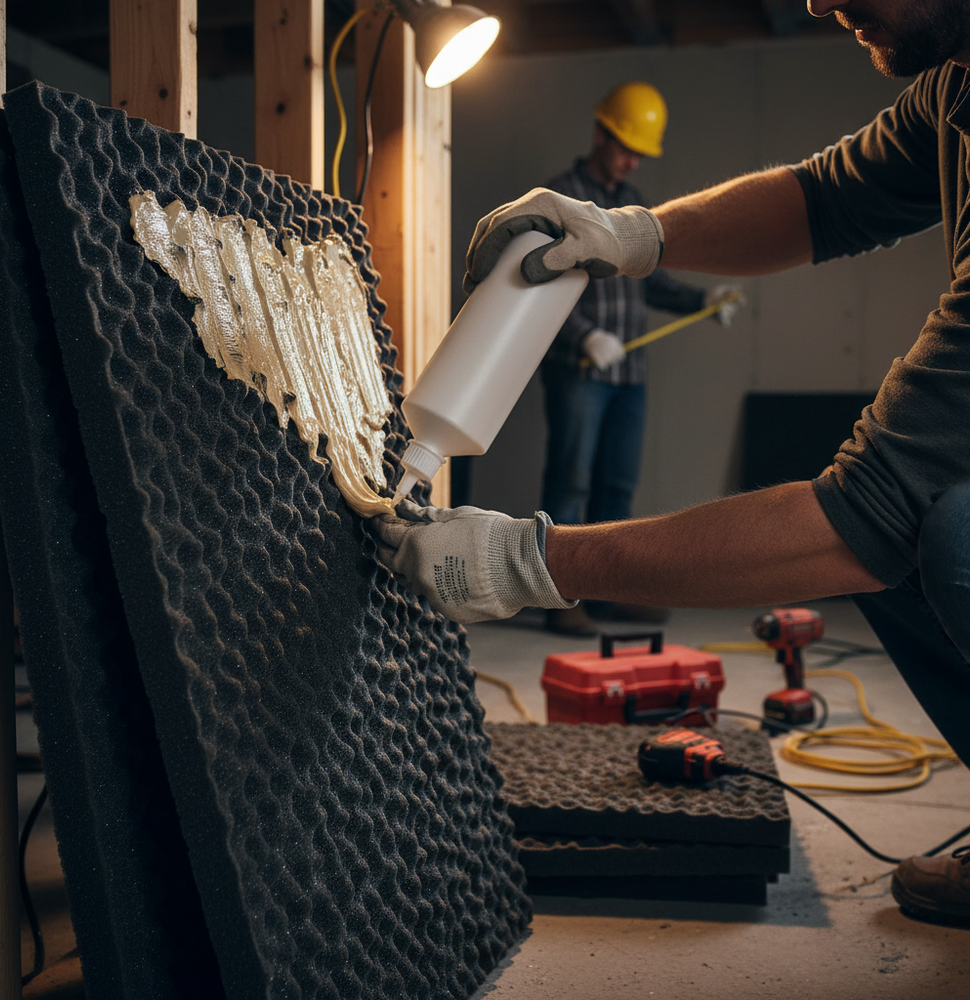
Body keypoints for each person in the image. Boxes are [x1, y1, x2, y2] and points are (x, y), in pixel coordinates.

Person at [374, 0, 970, 929]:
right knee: (919, 536)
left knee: (944, 531)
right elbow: (825, 199)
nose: (815, 3)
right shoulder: (955, 86)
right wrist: (629, 236)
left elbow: (866, 515)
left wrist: (533, 562)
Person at [536, 81, 743, 636]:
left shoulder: (633, 209)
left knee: (617, 487)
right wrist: (583, 337)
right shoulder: (557, 202)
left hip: (628, 373)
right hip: (580, 370)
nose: (631, 160)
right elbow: (534, 286)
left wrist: (703, 300)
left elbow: (653, 281)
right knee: (571, 482)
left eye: (639, 153)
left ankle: (608, 591)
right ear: (600, 134)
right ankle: (560, 597)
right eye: (626, 146)